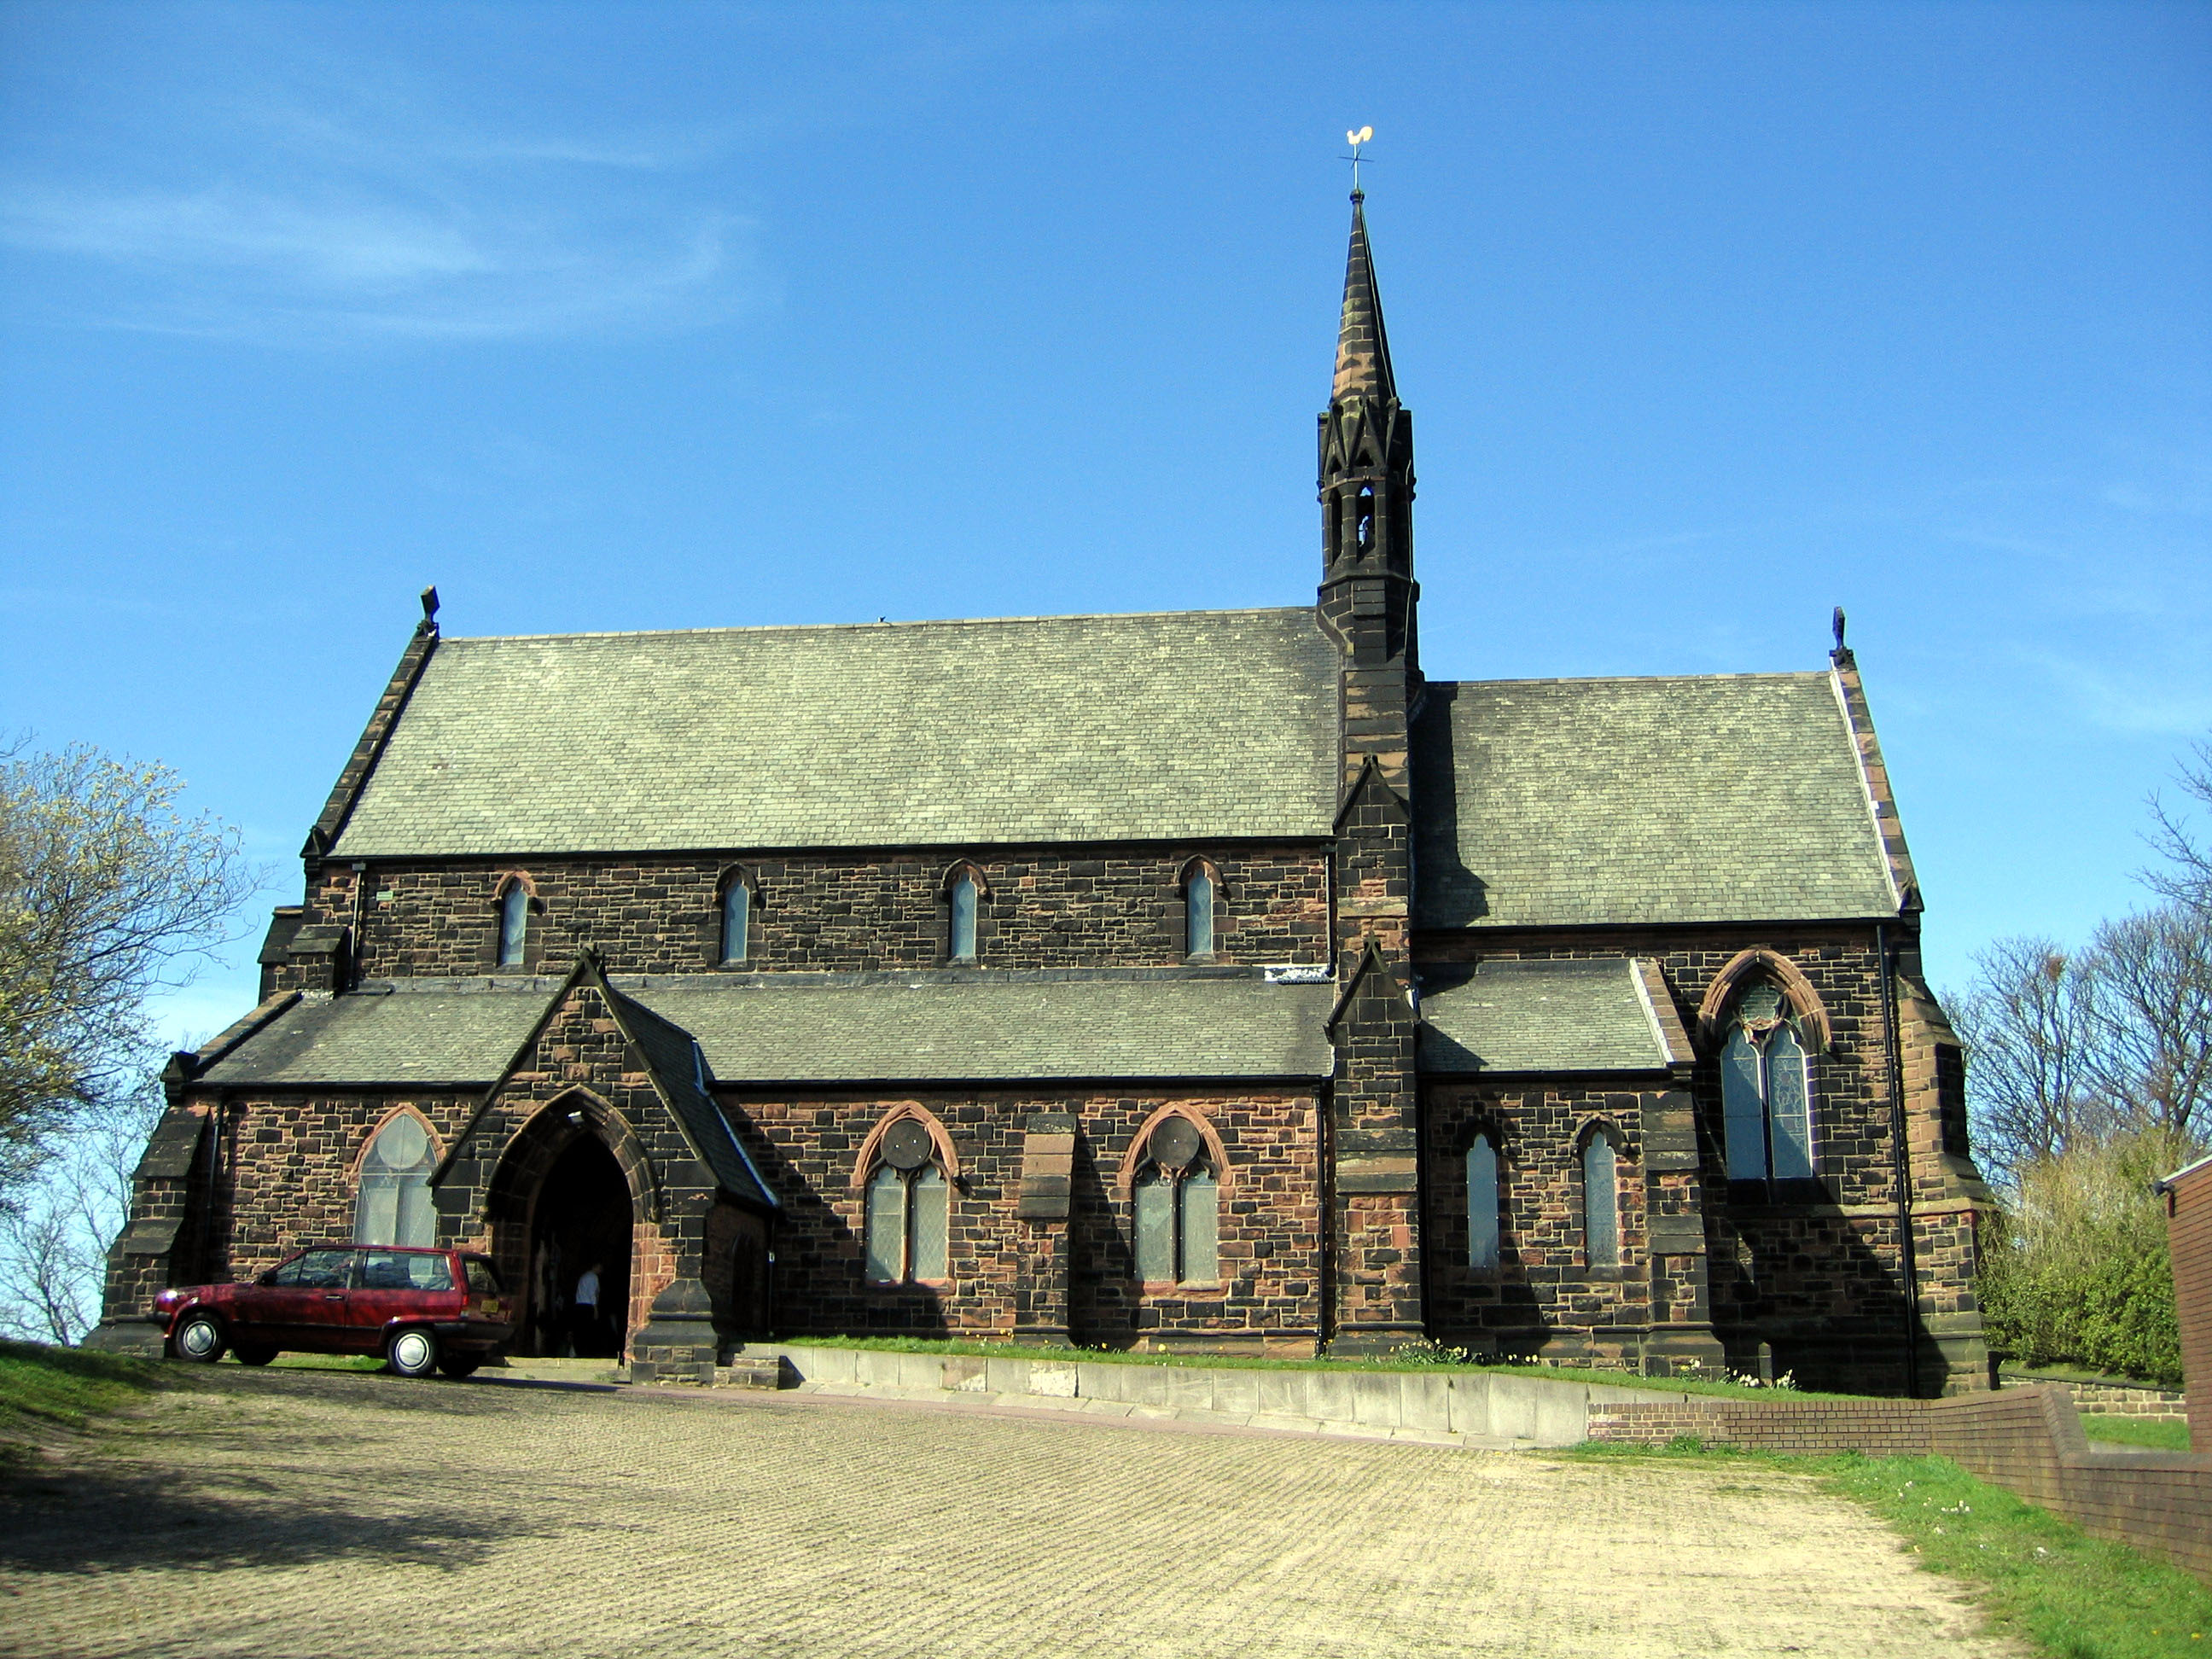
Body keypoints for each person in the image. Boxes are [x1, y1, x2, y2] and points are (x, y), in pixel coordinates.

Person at [572, 1261, 602, 1356]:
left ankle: (579, 1351)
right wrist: (595, 1308)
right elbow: (592, 1293)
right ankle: (587, 1352)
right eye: (600, 1268)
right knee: (588, 1331)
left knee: (580, 1330)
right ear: (596, 1267)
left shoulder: (584, 1276)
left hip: (579, 1305)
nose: (601, 1270)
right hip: (587, 1306)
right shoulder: (593, 1277)